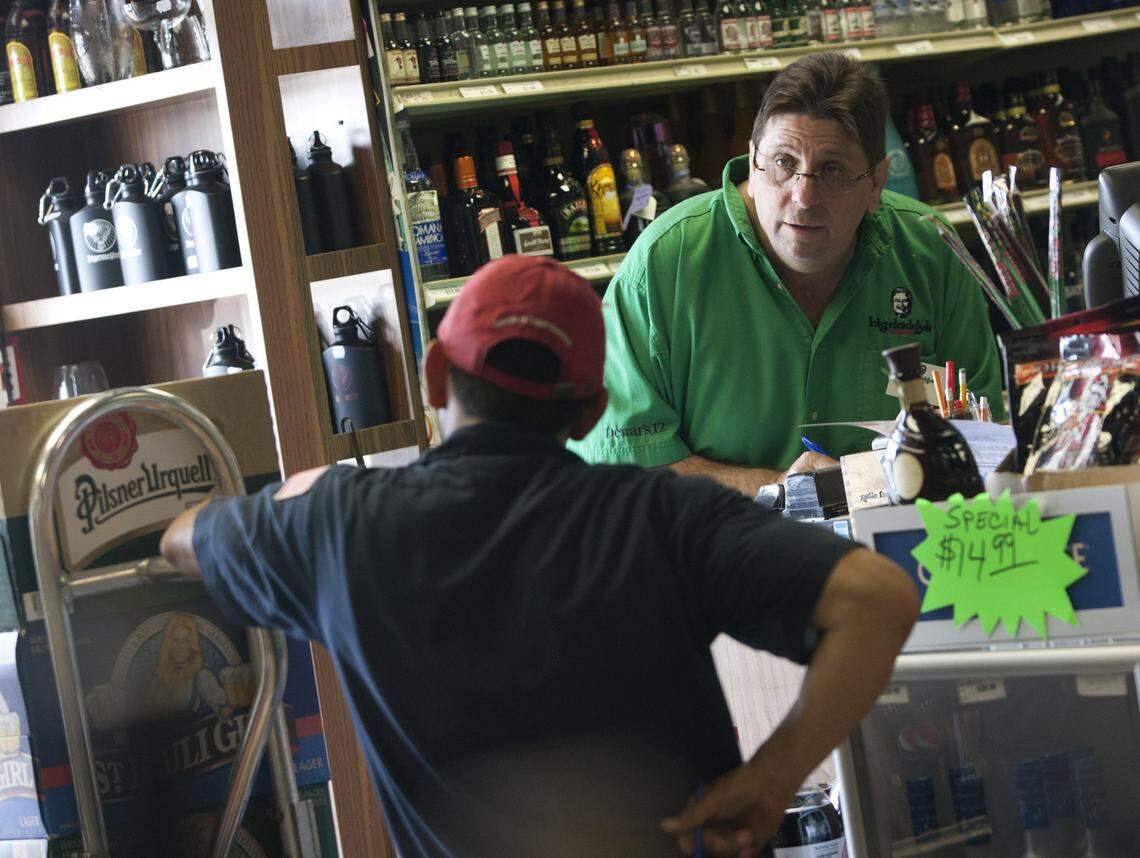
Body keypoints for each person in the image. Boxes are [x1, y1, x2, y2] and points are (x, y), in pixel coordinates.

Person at [161, 255, 918, 856]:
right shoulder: (662, 515)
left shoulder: (340, 525)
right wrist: (773, 776)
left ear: (432, 376)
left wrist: (304, 492)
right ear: (590, 408)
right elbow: (879, 599)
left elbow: (182, 540)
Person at [568, 52, 1004, 497]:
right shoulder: (665, 263)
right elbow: (619, 468)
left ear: (877, 183)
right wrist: (775, 488)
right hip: (719, 548)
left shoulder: (932, 253)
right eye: (783, 163)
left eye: (832, 169)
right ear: (753, 161)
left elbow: (987, 440)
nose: (803, 195)